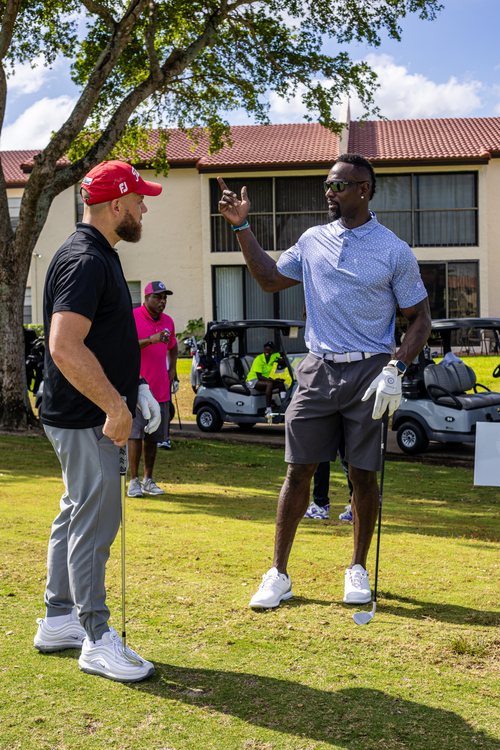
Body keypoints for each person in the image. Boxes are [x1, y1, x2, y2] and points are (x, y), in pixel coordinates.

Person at [218, 153, 431, 609]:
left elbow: (420, 320)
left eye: (339, 186)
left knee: (363, 476)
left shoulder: (394, 250)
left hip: (371, 371)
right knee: (298, 470)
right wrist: (241, 227)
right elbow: (271, 279)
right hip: (317, 369)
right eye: (327, 186)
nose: (330, 193)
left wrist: (396, 366)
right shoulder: (312, 239)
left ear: (364, 190)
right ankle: (278, 573)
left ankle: (357, 567)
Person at [34, 160, 163, 683]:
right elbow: (65, 345)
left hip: (86, 409)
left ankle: (59, 619)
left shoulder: (97, 254)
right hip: (87, 415)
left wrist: (133, 387)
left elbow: (100, 338)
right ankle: (94, 637)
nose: (143, 208)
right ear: (116, 205)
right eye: (138, 201)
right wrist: (115, 407)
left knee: (76, 510)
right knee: (95, 519)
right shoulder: (86, 258)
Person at [127, 282, 178, 497]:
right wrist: (150, 340)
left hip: (160, 389)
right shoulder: (132, 317)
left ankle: (149, 480)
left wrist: (173, 368)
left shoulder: (168, 322)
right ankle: (133, 481)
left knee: (153, 437)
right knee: (135, 435)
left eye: (165, 298)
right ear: (146, 297)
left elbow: (173, 346)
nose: (162, 302)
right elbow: (124, 346)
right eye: (158, 297)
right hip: (137, 388)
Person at [246, 341, 287, 417]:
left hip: (264, 380)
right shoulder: (259, 359)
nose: (267, 352)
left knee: (280, 383)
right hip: (253, 380)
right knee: (270, 384)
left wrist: (283, 359)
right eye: (265, 349)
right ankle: (268, 410)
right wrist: (273, 380)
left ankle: (284, 406)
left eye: (269, 350)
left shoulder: (273, 356)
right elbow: (259, 376)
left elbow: (282, 353)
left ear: (272, 351)